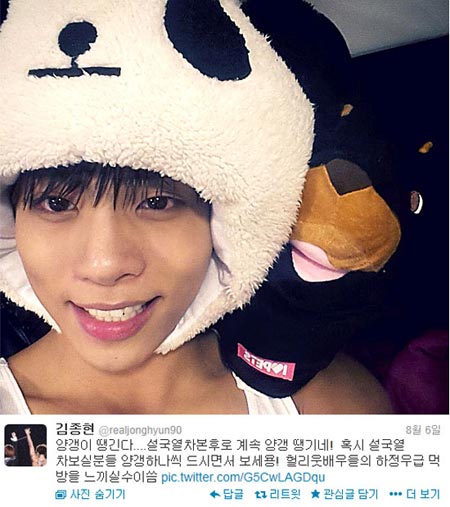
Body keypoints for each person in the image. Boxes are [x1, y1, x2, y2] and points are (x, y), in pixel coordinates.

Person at [0, 0, 392, 414]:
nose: (105, 265)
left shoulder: (333, 408)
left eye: (157, 202)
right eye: (56, 203)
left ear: (225, 223)